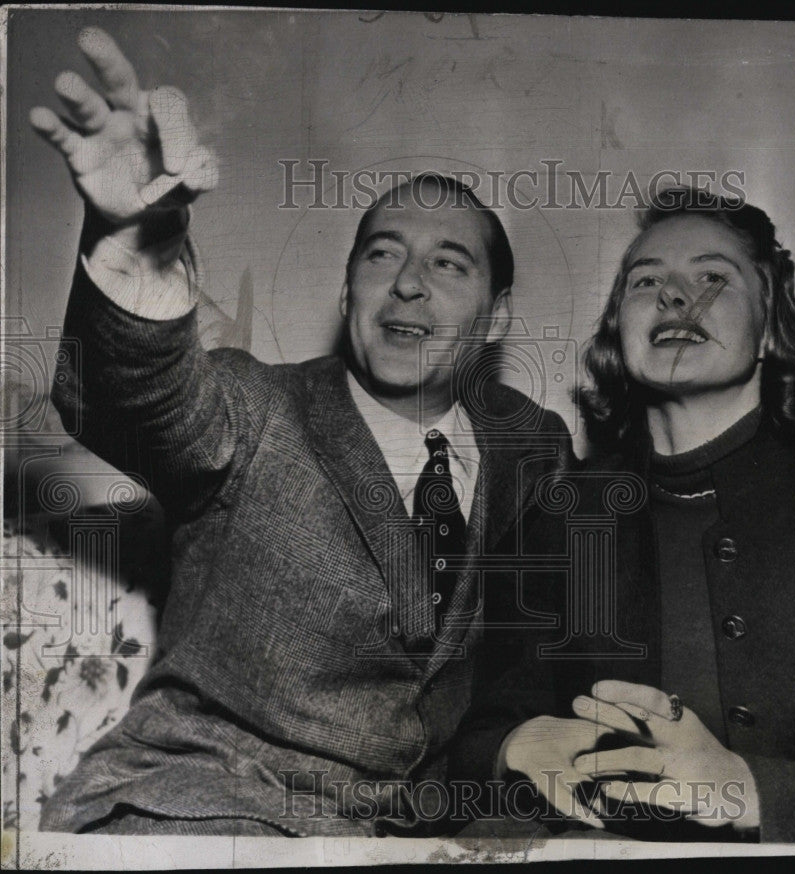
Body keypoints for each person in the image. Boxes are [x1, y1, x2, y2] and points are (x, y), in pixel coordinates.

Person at [31, 28, 571, 836]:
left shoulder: (529, 447)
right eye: (382, 255)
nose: (409, 285)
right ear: (350, 288)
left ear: (496, 317)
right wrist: (135, 262)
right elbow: (134, 399)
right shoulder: (255, 408)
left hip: (405, 837)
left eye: (449, 264)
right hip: (202, 811)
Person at [450, 188, 795, 844]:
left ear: (768, 328)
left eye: (713, 277)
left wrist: (746, 789)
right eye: (645, 280)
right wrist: (513, 743)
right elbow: (473, 744)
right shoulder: (559, 520)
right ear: (618, 330)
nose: (676, 297)